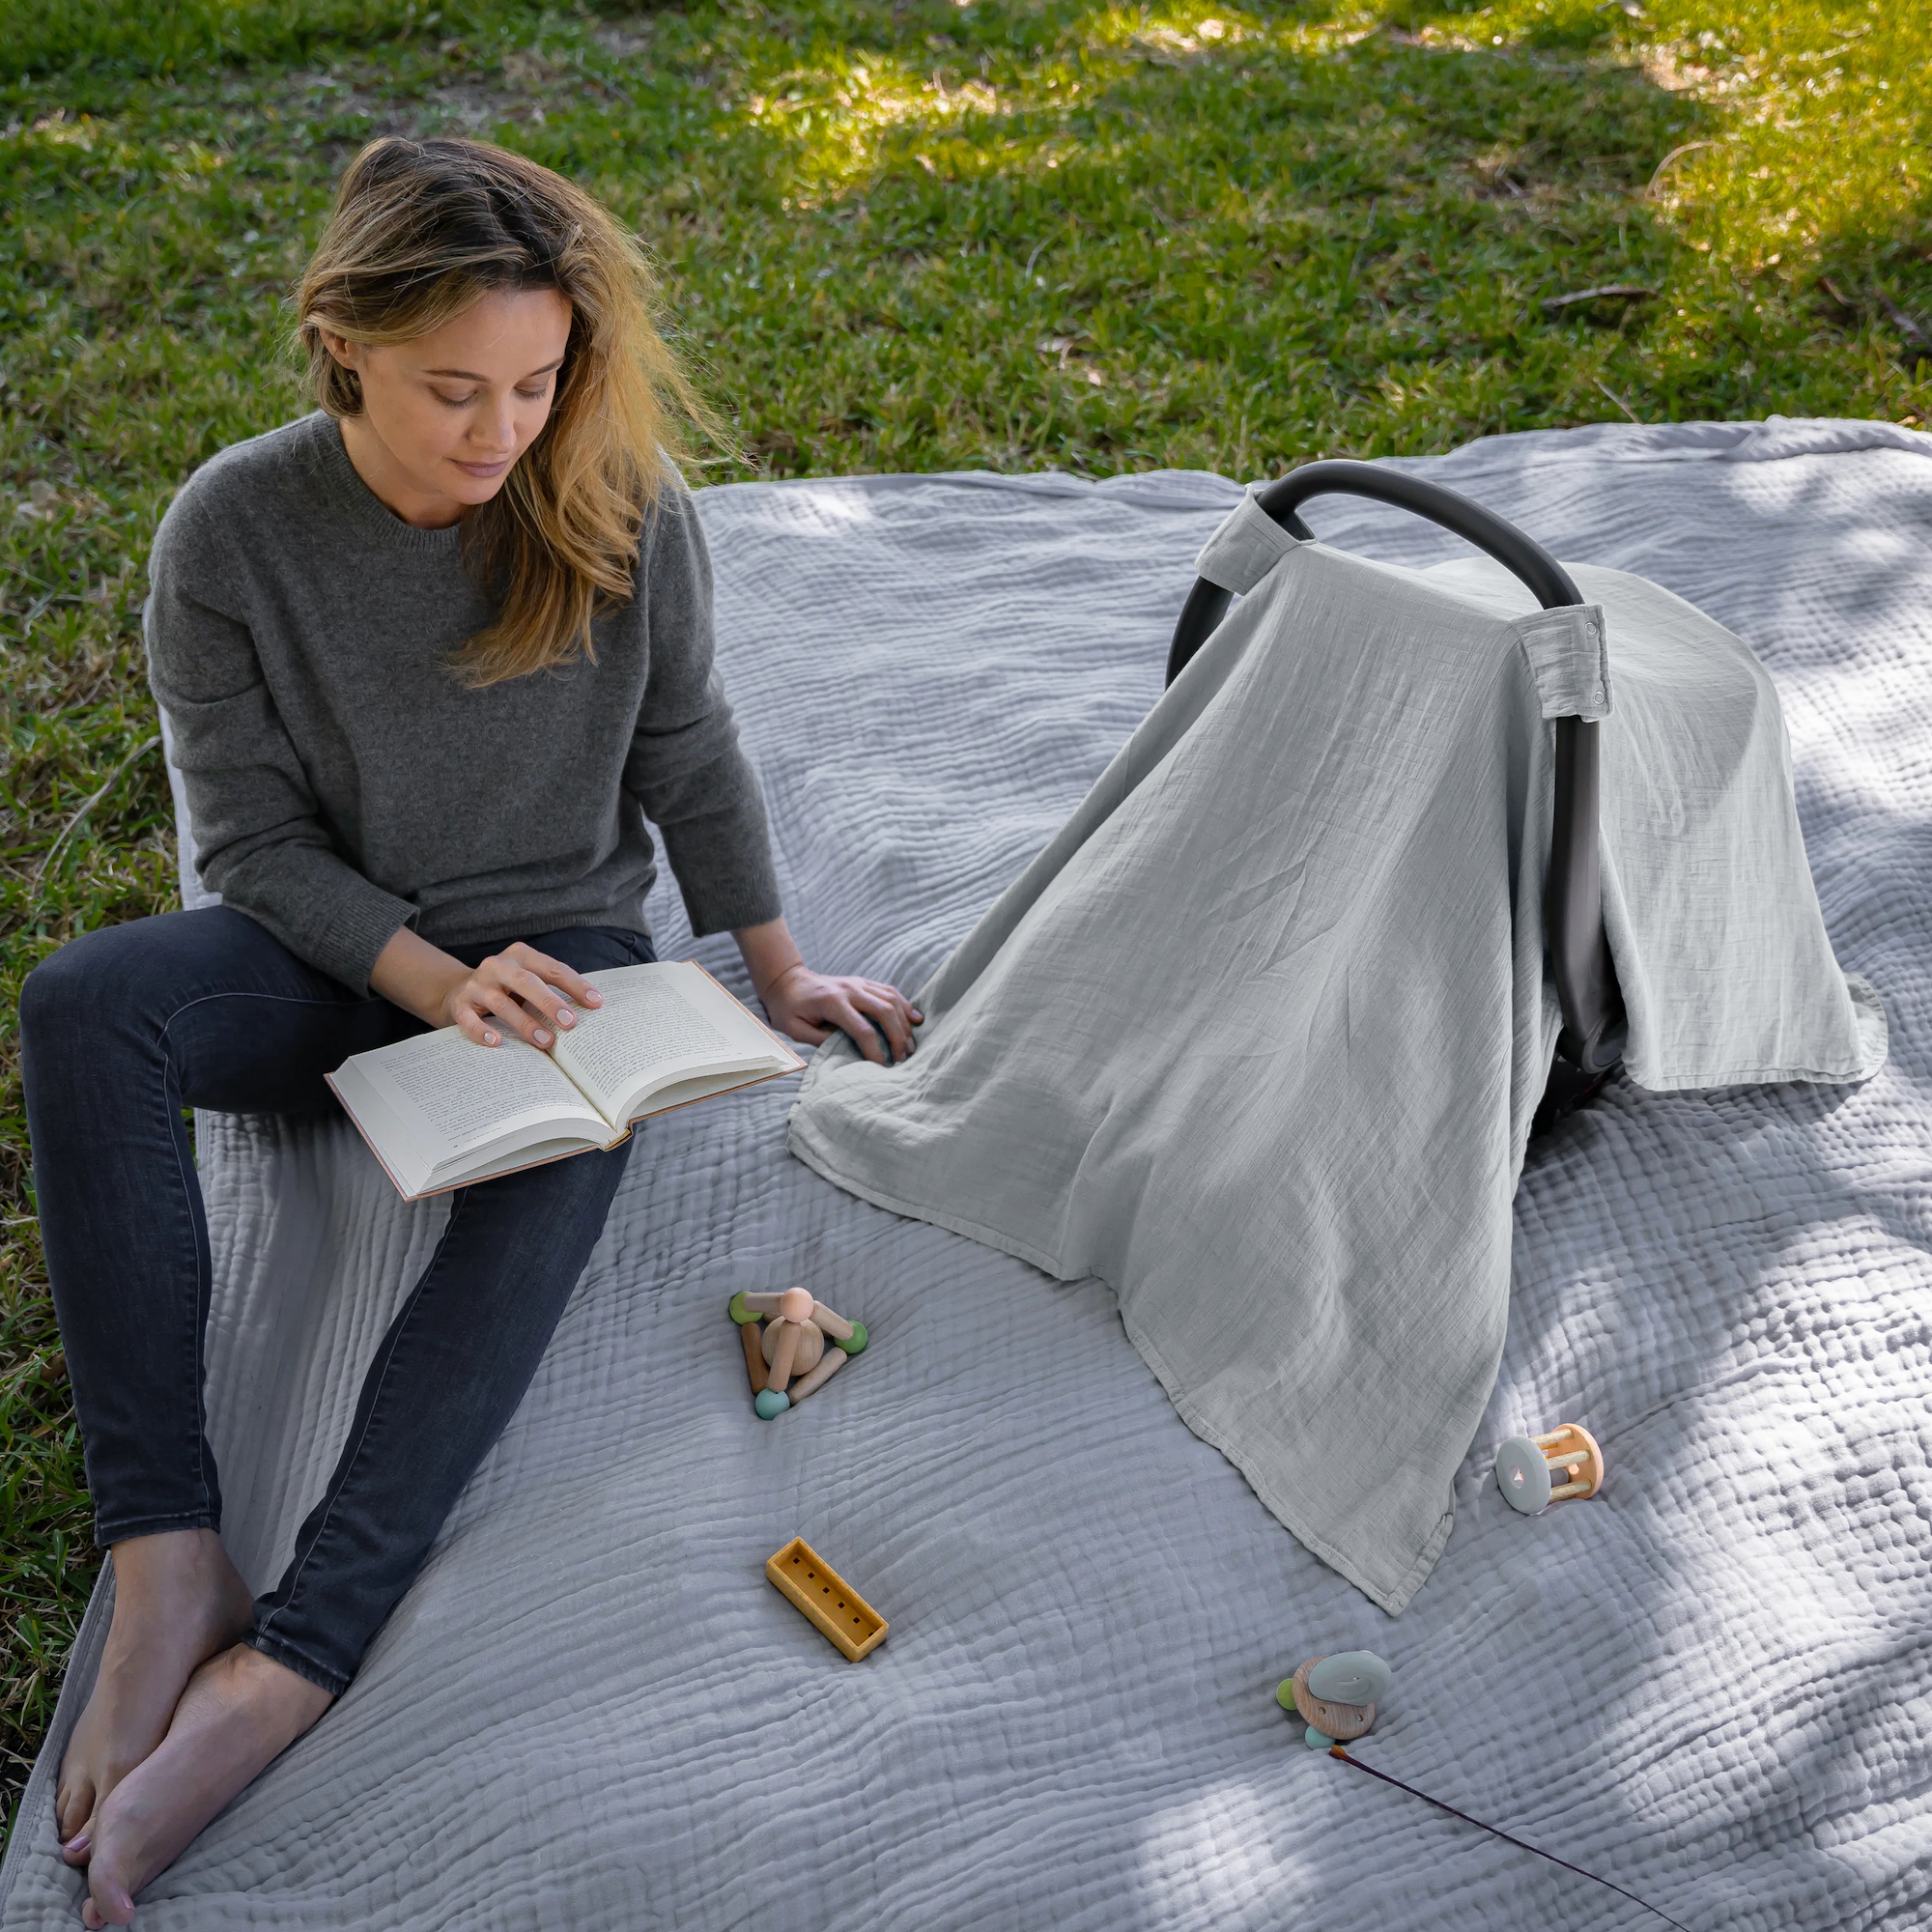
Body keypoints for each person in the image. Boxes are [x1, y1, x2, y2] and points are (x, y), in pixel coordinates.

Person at [17, 135, 920, 1928]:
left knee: (569, 1162)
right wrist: (423, 977)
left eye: (537, 379)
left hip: (569, 945)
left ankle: (302, 1655)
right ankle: (168, 1557)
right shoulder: (233, 531)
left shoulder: (617, 505)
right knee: (84, 1004)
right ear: (338, 340)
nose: (502, 428)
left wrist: (778, 963)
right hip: (334, 939)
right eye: (453, 388)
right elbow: (256, 844)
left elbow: (688, 752)